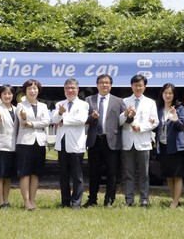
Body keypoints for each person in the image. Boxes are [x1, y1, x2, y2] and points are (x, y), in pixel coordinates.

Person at [83, 74, 126, 208]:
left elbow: (125, 120)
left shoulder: (119, 101)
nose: (104, 85)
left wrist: (130, 116)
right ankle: (92, 199)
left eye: (107, 83)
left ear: (111, 85)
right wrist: (92, 117)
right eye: (101, 82)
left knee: (112, 172)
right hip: (94, 140)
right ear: (97, 85)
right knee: (93, 172)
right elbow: (85, 119)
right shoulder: (89, 100)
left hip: (111, 141)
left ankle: (109, 200)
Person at [119, 74, 159, 207]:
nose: (138, 87)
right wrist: (126, 115)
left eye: (140, 85)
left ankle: (144, 198)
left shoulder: (150, 102)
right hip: (128, 141)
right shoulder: (124, 101)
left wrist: (141, 127)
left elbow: (155, 122)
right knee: (128, 173)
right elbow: (118, 122)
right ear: (131, 86)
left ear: (145, 86)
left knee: (144, 173)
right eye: (135, 85)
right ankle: (129, 199)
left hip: (143, 141)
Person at [53, 78, 88, 209]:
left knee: (77, 175)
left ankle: (76, 202)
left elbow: (81, 119)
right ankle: (65, 201)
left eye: (73, 88)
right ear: (64, 90)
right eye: (67, 88)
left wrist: (64, 120)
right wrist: (60, 113)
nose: (70, 90)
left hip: (76, 144)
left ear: (77, 90)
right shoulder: (60, 104)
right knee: (64, 175)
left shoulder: (83, 104)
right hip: (62, 143)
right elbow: (55, 119)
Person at [16, 79, 50, 210]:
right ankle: (26, 201)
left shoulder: (43, 106)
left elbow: (47, 121)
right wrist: (25, 118)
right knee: (25, 172)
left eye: (35, 88)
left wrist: (33, 124)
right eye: (30, 89)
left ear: (38, 91)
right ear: (25, 91)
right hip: (25, 141)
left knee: (36, 173)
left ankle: (32, 200)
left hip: (39, 141)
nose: (32, 91)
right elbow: (23, 121)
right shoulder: (21, 106)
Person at [156, 83, 184, 208]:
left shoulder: (179, 109)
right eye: (165, 93)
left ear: (174, 95)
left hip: (176, 146)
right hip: (163, 146)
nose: (168, 95)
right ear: (162, 94)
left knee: (177, 175)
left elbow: (182, 127)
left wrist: (175, 118)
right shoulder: (160, 109)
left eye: (170, 93)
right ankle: (174, 199)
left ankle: (175, 201)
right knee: (168, 175)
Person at [0, 85, 19, 208]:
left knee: (8, 176)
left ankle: (6, 201)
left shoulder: (17, 109)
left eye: (10, 93)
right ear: (0, 95)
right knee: (0, 175)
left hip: (13, 146)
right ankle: (1, 202)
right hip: (1, 146)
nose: (7, 96)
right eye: (4, 94)